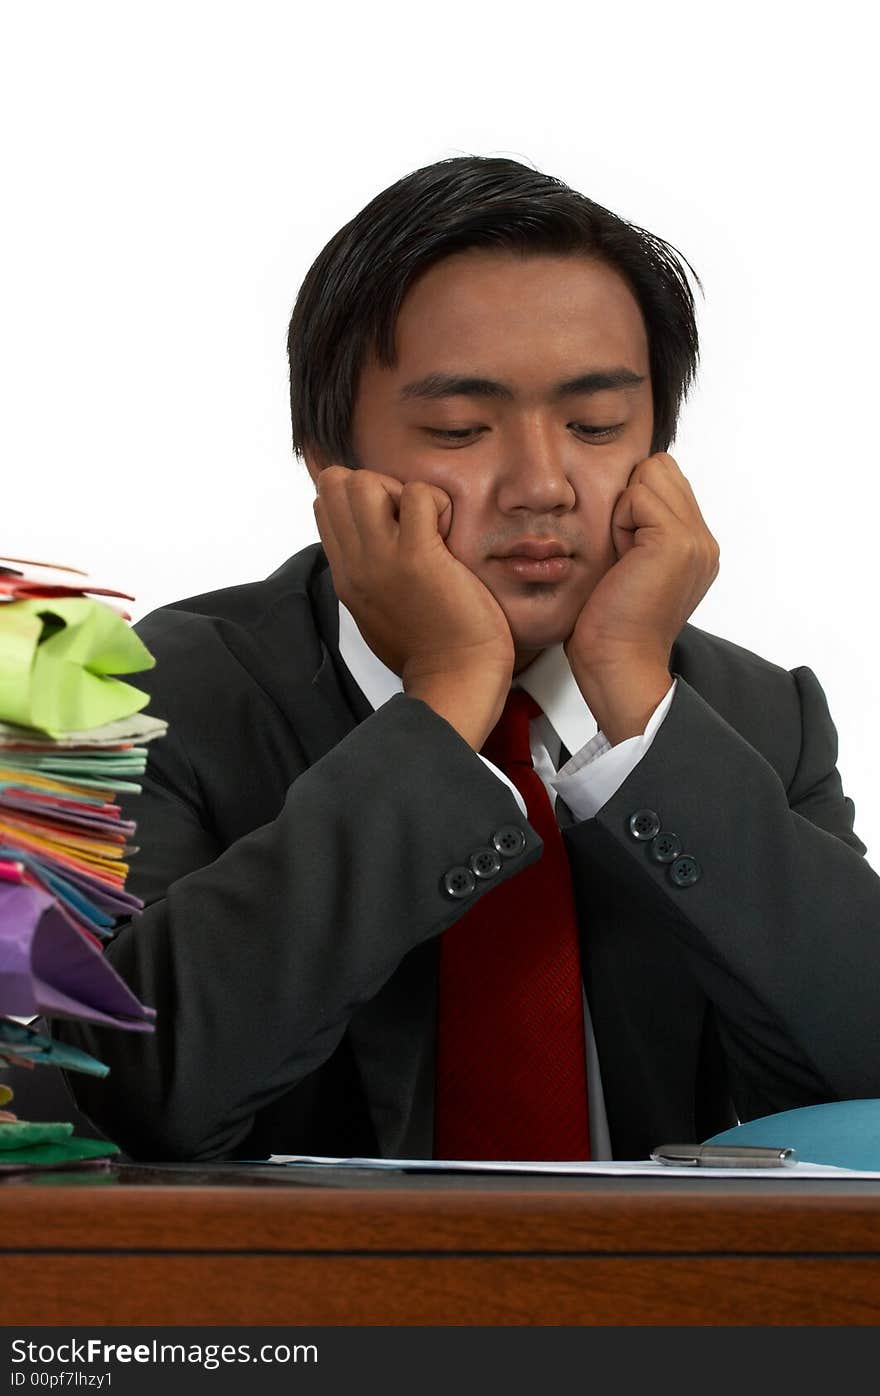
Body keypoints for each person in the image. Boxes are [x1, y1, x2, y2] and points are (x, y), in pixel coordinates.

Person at [55, 155, 880, 1163]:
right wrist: (445, 705)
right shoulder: (139, 698)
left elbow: (860, 1084)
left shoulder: (752, 718)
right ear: (329, 465)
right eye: (461, 428)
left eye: (595, 424)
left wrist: (634, 705)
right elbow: (119, 1095)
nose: (541, 484)